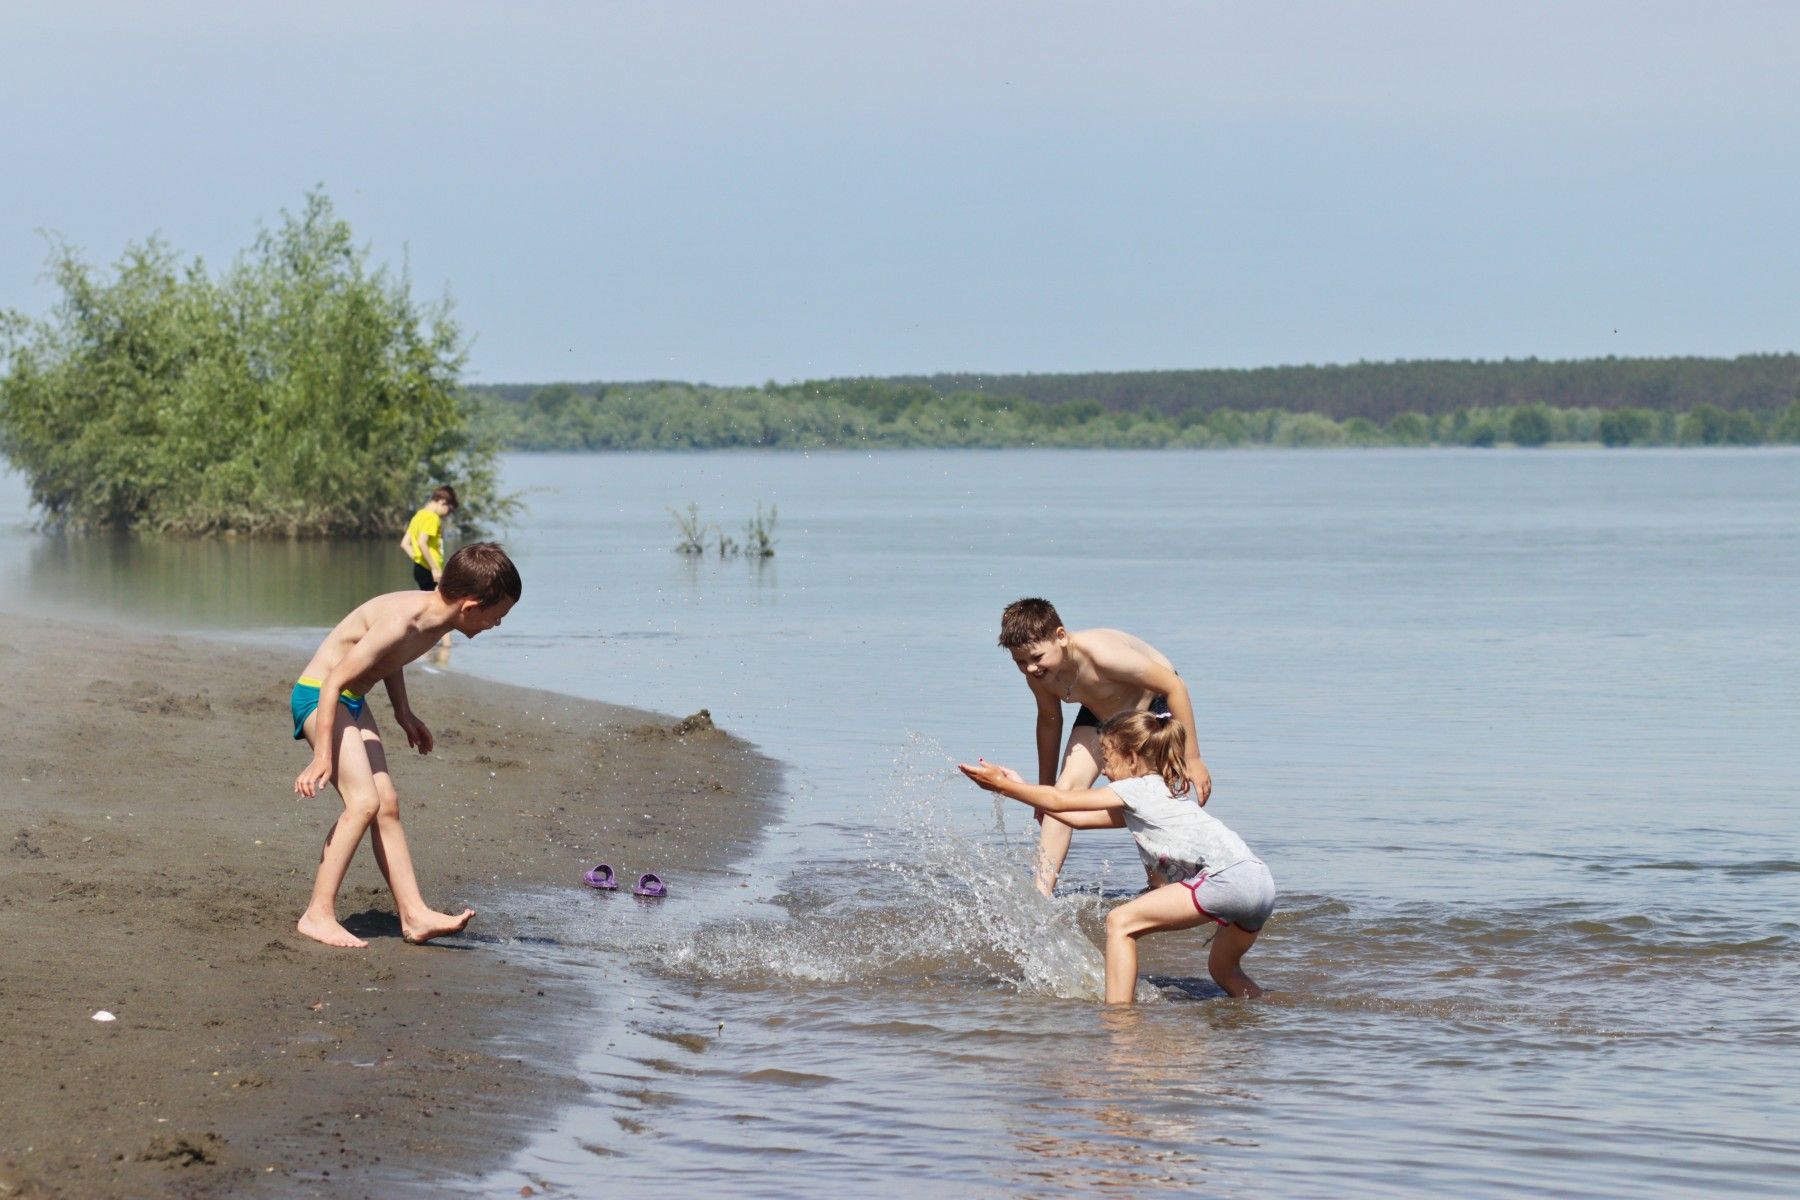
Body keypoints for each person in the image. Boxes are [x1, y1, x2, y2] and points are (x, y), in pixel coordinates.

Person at [290, 542, 521, 948]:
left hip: (352, 701)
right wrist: (321, 755)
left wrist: (403, 713)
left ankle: (414, 915)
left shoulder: (435, 619)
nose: (495, 625)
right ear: (469, 607)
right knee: (362, 802)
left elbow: (390, 661)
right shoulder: (403, 621)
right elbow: (333, 681)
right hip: (320, 696)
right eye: (495, 616)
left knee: (386, 803)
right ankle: (317, 913)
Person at [960, 710, 1274, 1004]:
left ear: (1133, 758)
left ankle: (1119, 1021)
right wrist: (1018, 785)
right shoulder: (1160, 793)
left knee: (1120, 922)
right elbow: (1074, 816)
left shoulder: (1135, 788)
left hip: (1225, 879)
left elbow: (1059, 798)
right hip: (1259, 882)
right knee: (1224, 971)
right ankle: (1268, 1009)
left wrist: (1001, 786)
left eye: (1107, 758)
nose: (1105, 770)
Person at [997, 598, 1212, 896]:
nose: (1031, 668)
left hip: (1151, 706)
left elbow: (1174, 686)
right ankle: (1040, 896)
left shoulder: (1102, 654)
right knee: (1063, 792)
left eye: (1036, 657)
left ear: (1061, 637)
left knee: (1145, 799)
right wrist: (1042, 792)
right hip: (1101, 713)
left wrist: (1193, 758)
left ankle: (1161, 888)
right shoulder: (1039, 675)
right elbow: (1049, 721)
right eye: (1020, 662)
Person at [402, 486, 459, 655]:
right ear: (442, 502)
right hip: (430, 570)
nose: (447, 514)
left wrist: (419, 561)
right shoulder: (432, 517)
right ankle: (446, 648)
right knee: (445, 607)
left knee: (432, 607)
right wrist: (433, 567)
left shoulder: (418, 516)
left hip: (420, 568)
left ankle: (422, 642)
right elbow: (422, 542)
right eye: (449, 509)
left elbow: (404, 544)